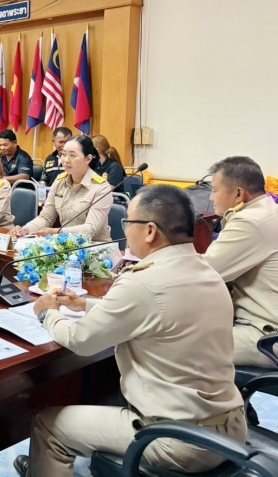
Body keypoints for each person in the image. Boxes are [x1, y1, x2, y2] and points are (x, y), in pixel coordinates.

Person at [15, 186, 246, 476]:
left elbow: (80, 340)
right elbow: (156, 311)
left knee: (48, 424)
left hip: (177, 439)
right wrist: (85, 304)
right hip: (230, 429)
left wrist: (46, 312)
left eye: (128, 222)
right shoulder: (207, 271)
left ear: (150, 231)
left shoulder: (142, 282)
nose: (124, 229)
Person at [203, 156, 278, 368]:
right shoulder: (268, 210)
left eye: (215, 190)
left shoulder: (250, 222)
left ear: (238, 194)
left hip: (265, 336)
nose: (211, 197)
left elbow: (203, 273)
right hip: (265, 327)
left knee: (176, 344)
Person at [13, 135, 112, 242]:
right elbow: (46, 217)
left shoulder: (101, 187)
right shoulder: (60, 181)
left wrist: (57, 232)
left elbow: (90, 229)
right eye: (64, 154)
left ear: (88, 159)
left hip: (96, 246)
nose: (66, 160)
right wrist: (26, 229)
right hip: (65, 244)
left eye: (72, 155)